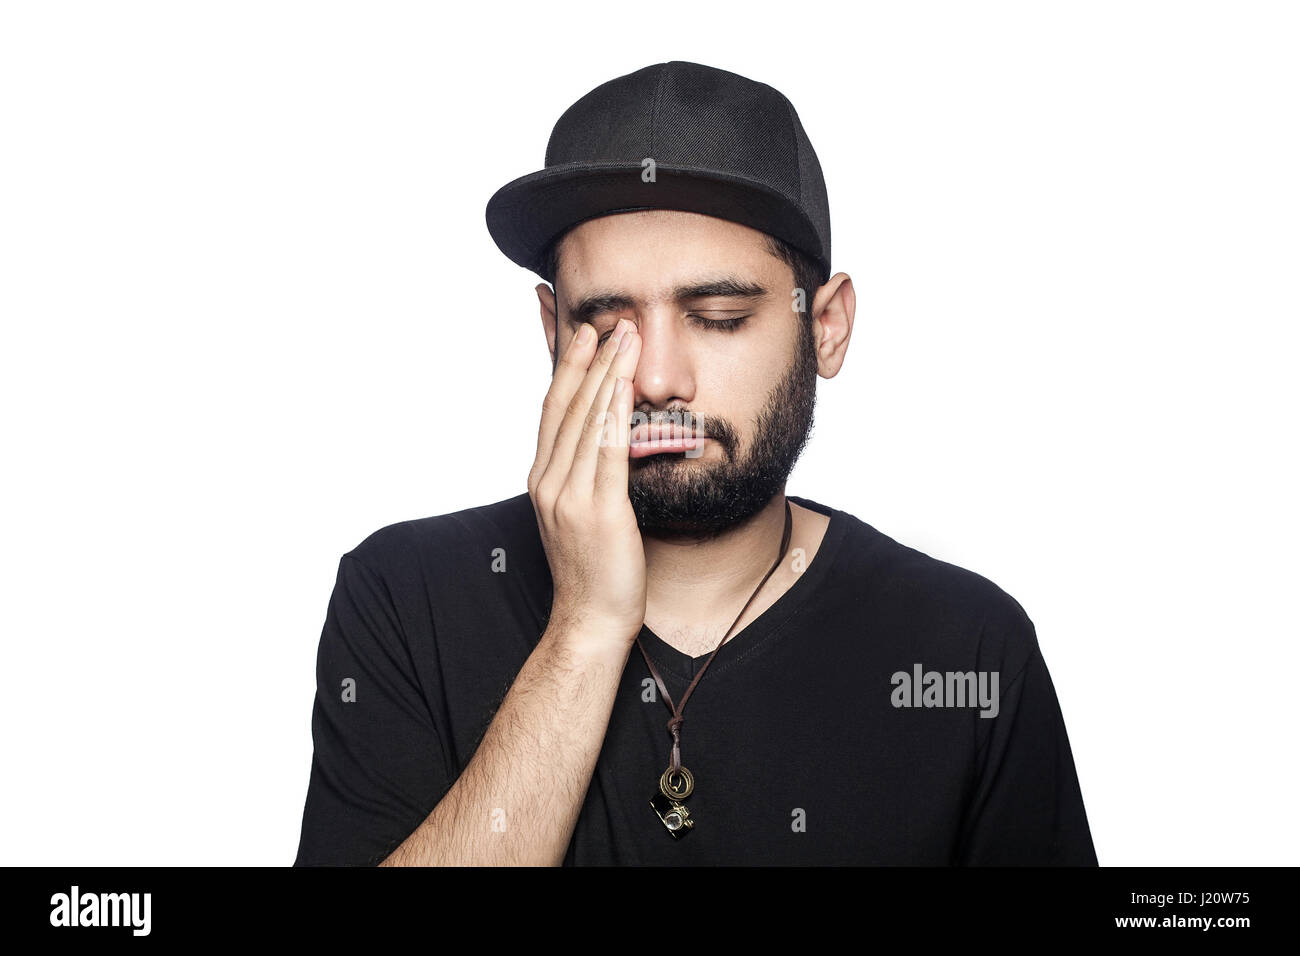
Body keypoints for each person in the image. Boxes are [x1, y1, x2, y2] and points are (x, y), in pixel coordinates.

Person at [293, 61, 1097, 866]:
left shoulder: (967, 648)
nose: (656, 380)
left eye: (718, 318)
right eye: (607, 325)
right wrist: (584, 629)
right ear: (551, 329)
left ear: (826, 328)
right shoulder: (403, 599)